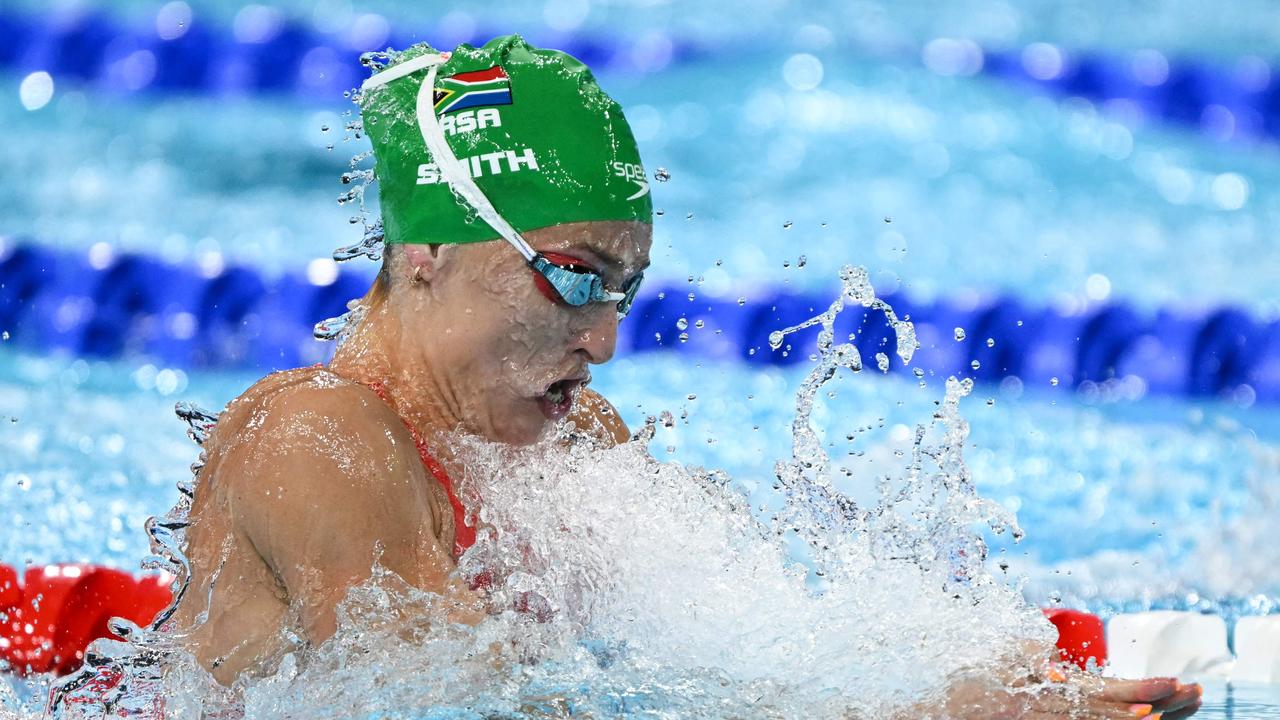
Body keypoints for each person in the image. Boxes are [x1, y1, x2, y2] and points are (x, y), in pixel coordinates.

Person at [170, 35, 1201, 718]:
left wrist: (949, 676)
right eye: (571, 279)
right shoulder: (317, 440)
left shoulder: (572, 444)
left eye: (624, 289)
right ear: (425, 257)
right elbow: (436, 703)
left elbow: (742, 643)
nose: (604, 341)